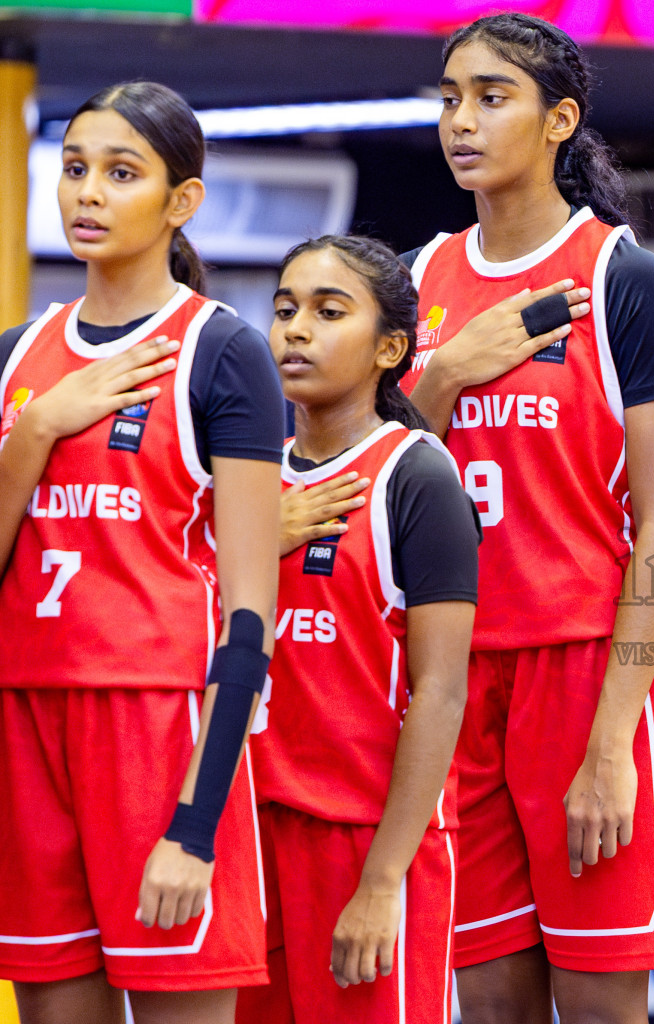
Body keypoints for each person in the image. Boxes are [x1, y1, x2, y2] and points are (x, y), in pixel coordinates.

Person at [399, 13, 654, 1022]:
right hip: (451, 677)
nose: (462, 122)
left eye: (491, 96)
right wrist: (442, 377)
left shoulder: (621, 277)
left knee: (603, 1002)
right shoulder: (417, 278)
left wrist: (615, 738)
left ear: (559, 118)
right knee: (484, 1001)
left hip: (583, 675)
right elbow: (373, 478)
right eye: (448, 99)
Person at [0, 82, 283, 1024]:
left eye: (121, 173)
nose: (87, 193)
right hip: (29, 721)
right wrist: (35, 434)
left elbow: (251, 614)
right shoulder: (16, 358)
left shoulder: (220, 351)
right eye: (75, 168)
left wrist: (195, 828)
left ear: (181, 201)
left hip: (161, 734)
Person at [232, 236, 481, 1024]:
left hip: (364, 842)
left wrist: (382, 882)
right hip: (248, 836)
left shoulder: (417, 474)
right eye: (284, 309)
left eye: (327, 311)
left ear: (390, 348)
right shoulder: (243, 480)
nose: (296, 330)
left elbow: (440, 694)